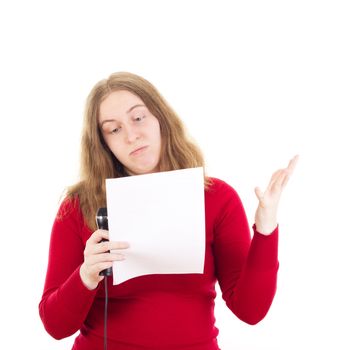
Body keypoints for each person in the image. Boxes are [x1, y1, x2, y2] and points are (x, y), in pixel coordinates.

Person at [39, 71, 298, 350]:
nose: (131, 136)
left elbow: (251, 311)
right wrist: (86, 275)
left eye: (138, 118)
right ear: (103, 144)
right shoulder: (79, 206)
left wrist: (266, 229)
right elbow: (55, 326)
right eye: (114, 129)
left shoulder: (217, 198)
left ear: (161, 118)